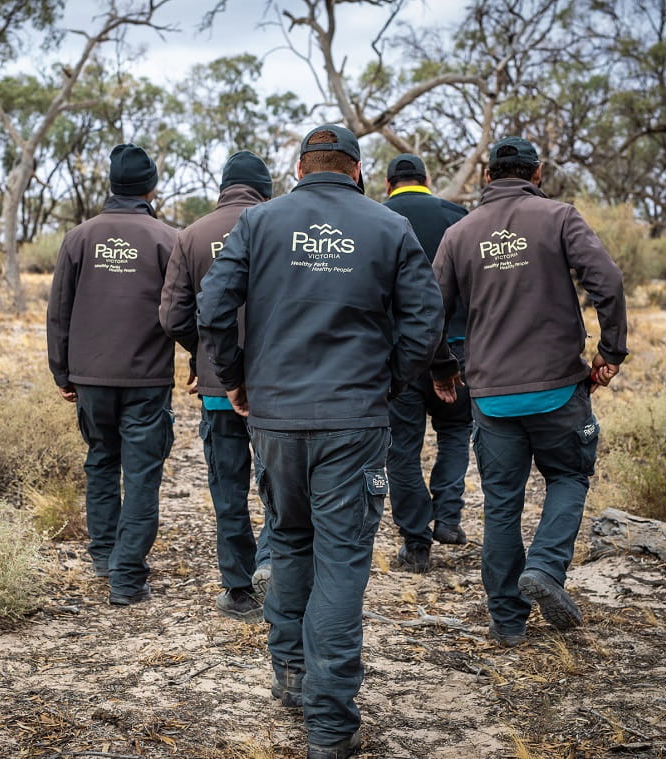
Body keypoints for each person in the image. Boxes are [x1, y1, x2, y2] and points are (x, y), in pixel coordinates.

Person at [198, 125, 449, 759]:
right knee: (341, 559)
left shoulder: (258, 224)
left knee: (289, 538)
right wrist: (390, 383)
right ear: (358, 172)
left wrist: (237, 379)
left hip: (275, 417)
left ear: (300, 168)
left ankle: (292, 673)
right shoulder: (388, 226)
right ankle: (330, 723)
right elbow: (426, 319)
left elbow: (211, 309)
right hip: (353, 419)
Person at [430, 136, 628, 647]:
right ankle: (543, 566)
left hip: (492, 396)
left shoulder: (458, 233)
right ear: (537, 173)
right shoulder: (560, 217)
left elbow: (429, 310)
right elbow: (606, 280)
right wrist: (611, 351)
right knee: (569, 475)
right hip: (560, 389)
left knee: (501, 504)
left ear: (487, 177)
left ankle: (507, 621)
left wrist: (443, 369)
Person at [47, 143, 178, 607]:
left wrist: (63, 372)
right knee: (142, 474)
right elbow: (179, 311)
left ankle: (104, 556)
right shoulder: (166, 239)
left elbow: (58, 310)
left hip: (91, 378)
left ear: (111, 184)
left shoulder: (79, 238)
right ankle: (126, 578)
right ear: (150, 185)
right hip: (146, 379)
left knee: (101, 462)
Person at [158, 150, 274, 624]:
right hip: (274, 384)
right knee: (278, 483)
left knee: (228, 487)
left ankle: (240, 589)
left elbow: (172, 316)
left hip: (215, 385)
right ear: (265, 190)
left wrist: (201, 351)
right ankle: (272, 561)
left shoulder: (191, 235)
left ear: (223, 188)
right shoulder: (280, 226)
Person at [381, 153, 471, 574]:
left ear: (387, 185)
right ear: (427, 180)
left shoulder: (376, 218)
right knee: (455, 428)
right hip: (458, 348)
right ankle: (449, 517)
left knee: (402, 448)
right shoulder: (460, 217)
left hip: (402, 355)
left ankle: (416, 543)